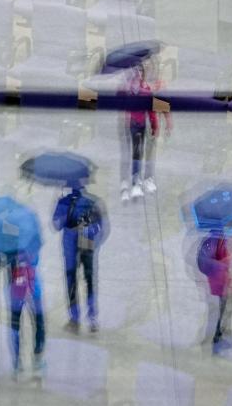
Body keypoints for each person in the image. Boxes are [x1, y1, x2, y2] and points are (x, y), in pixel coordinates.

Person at [52, 186, 108, 333]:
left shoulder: (64, 202)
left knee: (72, 280)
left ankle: (74, 319)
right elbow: (100, 227)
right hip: (86, 242)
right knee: (89, 279)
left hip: (70, 246)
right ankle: (92, 318)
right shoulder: (91, 202)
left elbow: (56, 224)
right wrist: (90, 231)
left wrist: (61, 208)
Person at [119, 60, 171, 202]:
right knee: (132, 154)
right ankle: (129, 183)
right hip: (134, 123)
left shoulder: (155, 85)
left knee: (147, 153)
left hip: (147, 123)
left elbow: (162, 104)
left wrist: (165, 122)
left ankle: (145, 180)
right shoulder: (132, 85)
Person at [197, 231, 232, 354]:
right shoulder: (215, 240)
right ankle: (217, 342)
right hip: (221, 283)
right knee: (220, 313)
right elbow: (209, 262)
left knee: (225, 312)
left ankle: (223, 337)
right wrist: (225, 264)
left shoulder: (226, 237)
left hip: (228, 282)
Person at [6, 250, 45, 375]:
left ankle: (23, 360)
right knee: (22, 324)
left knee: (36, 322)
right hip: (22, 285)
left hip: (26, 285)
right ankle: (20, 361)